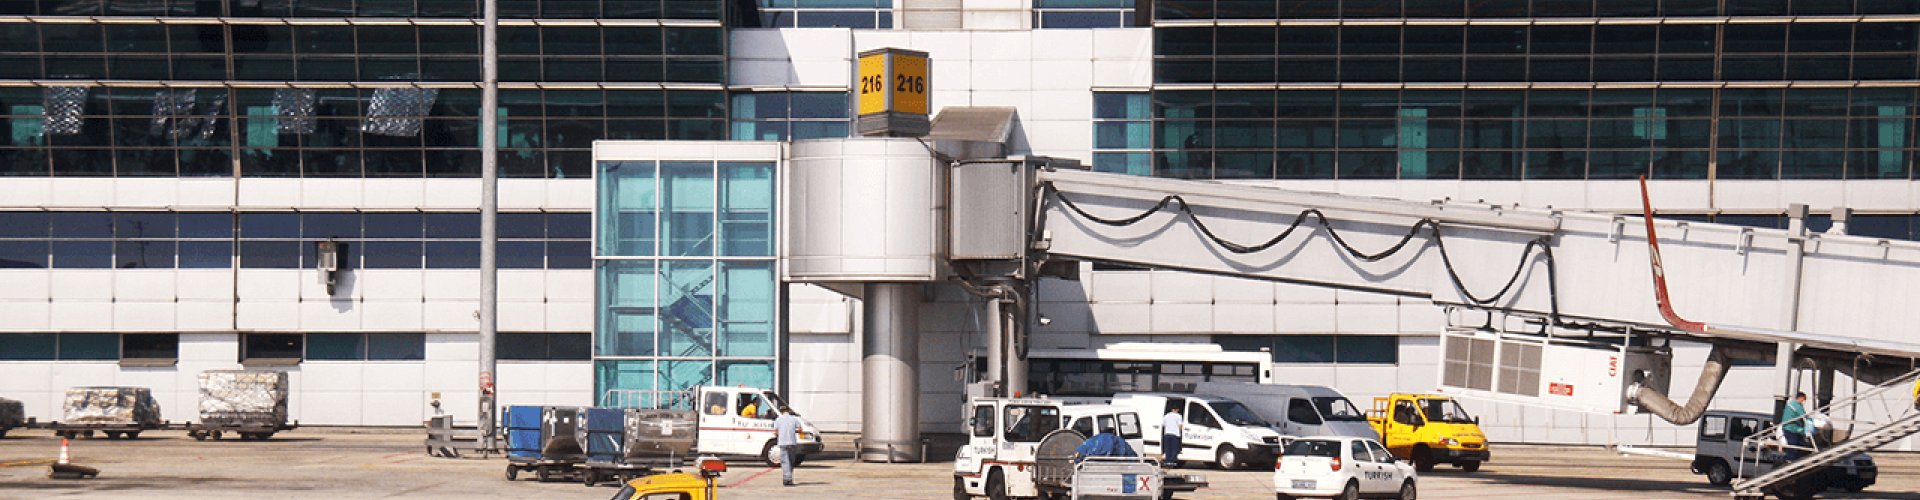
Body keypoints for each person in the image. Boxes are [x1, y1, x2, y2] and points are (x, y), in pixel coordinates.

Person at [773, 406, 801, 486]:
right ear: (788, 411)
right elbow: (799, 429)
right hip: (792, 442)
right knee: (791, 461)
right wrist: (793, 431)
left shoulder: (778, 420)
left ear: (781, 411)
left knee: (785, 462)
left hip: (782, 442)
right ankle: (788, 478)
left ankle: (787, 479)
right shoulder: (794, 419)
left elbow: (775, 432)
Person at [1781, 392, 1809, 461]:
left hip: (1787, 427)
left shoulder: (1790, 404)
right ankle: (1790, 459)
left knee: (1796, 444)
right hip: (1792, 428)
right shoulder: (1796, 405)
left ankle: (1791, 458)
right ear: (1800, 398)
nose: (1804, 401)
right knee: (1794, 444)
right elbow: (1803, 415)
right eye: (1804, 399)